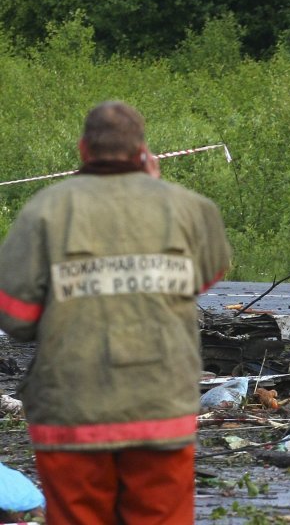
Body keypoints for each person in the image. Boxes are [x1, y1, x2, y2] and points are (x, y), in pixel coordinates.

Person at [0, 101, 231, 524]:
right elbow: (203, 280)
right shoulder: (192, 209)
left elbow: (14, 316)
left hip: (71, 410)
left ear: (83, 149)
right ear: (143, 151)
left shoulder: (45, 211)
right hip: (160, 408)